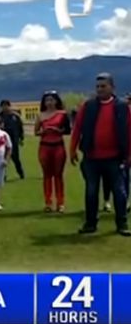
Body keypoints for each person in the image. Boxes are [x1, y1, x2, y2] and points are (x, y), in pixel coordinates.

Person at [70, 73, 131, 236]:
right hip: (92, 158)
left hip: (115, 158)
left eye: (103, 86)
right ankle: (90, 223)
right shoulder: (88, 106)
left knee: (119, 192)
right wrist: (72, 149)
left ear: (112, 87)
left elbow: (129, 131)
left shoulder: (122, 107)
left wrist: (129, 155)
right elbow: (77, 129)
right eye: (97, 87)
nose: (100, 89)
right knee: (91, 191)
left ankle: (122, 224)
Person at [35, 91, 71, 213]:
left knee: (58, 175)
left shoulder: (62, 114)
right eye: (47, 100)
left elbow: (68, 130)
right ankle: (48, 203)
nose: (49, 102)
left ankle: (60, 203)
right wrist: (43, 132)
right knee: (46, 175)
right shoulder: (40, 115)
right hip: (44, 147)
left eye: (52, 100)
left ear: (56, 101)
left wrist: (58, 130)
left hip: (58, 146)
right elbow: (36, 132)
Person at [0, 100, 25, 180]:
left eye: (6, 105)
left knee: (15, 158)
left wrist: (21, 138)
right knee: (2, 158)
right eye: (3, 106)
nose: (5, 107)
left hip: (14, 140)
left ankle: (20, 173)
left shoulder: (15, 116)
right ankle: (3, 175)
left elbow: (20, 128)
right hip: (2, 140)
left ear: (9, 106)